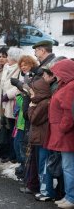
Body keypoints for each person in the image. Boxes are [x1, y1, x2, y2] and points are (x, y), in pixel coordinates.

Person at [47, 59, 74, 208]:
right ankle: (68, 195)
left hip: (66, 134)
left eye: (58, 72)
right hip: (62, 133)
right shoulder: (65, 85)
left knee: (69, 167)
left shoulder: (71, 86)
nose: (55, 75)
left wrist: (63, 128)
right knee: (67, 167)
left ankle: (71, 197)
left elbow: (69, 111)